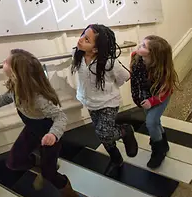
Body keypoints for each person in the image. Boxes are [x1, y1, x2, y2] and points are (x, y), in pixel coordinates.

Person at [0, 49, 81, 197]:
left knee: (49, 174)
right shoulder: (16, 85)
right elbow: (7, 97)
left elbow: (60, 116)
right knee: (13, 162)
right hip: (32, 130)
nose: (3, 62)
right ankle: (44, 165)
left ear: (17, 72)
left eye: (6, 62)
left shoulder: (37, 97)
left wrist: (53, 135)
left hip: (48, 134)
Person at [71, 24, 138, 176]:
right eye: (83, 35)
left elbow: (125, 76)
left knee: (104, 132)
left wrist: (111, 88)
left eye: (86, 39)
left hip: (108, 103)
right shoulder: (77, 54)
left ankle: (125, 131)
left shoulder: (109, 62)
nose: (80, 40)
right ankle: (116, 159)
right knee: (103, 135)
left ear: (95, 49)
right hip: (90, 102)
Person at [130, 35, 180, 168]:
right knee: (155, 121)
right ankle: (163, 143)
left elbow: (165, 91)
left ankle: (158, 150)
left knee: (151, 122)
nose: (139, 45)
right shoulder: (136, 57)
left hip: (159, 97)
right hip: (146, 96)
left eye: (144, 46)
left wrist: (152, 102)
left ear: (154, 54)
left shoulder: (162, 70)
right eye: (142, 43)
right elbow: (136, 77)